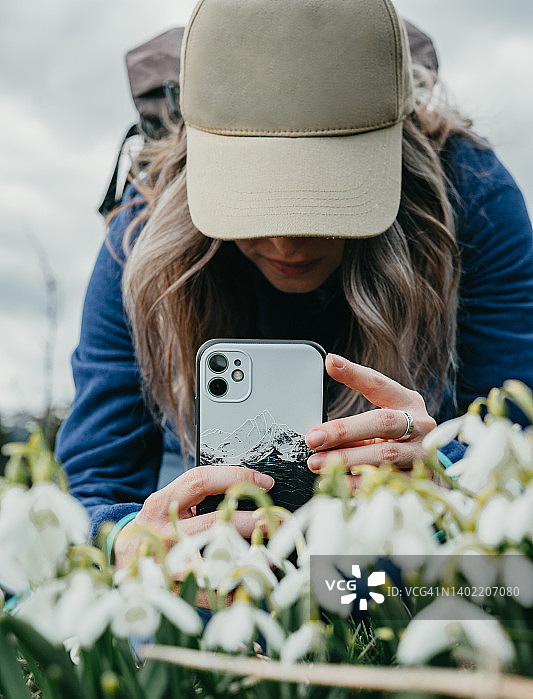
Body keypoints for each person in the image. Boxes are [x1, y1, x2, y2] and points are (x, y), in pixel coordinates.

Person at [55, 0, 533, 570]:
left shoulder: (471, 198)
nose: (286, 245)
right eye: (248, 206)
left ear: (394, 152)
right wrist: (129, 537)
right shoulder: (143, 230)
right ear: (194, 154)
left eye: (325, 204)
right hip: (206, 502)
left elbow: (514, 434)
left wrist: (443, 468)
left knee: (446, 594)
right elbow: (95, 476)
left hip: (402, 516)